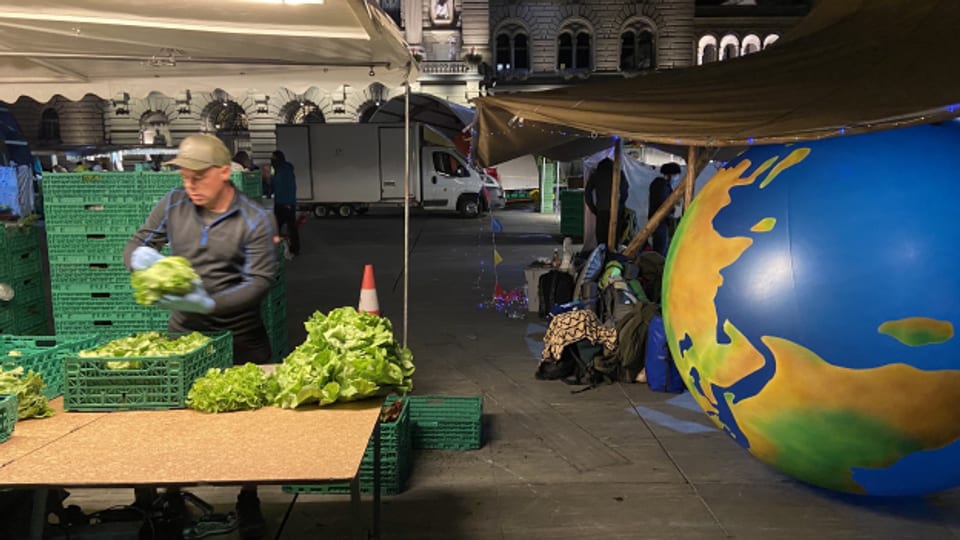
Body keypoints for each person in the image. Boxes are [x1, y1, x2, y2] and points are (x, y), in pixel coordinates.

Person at [123, 133, 278, 540]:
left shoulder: (255, 218)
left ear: (224, 173)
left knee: (248, 425)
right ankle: (172, 498)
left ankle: (248, 498)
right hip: (184, 337)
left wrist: (211, 303)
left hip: (242, 336)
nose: (189, 184)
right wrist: (143, 261)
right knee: (179, 423)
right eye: (185, 176)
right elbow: (139, 242)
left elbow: (261, 280)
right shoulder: (173, 204)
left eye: (198, 176)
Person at [584, 158, 628, 248]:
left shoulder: (596, 175)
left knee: (601, 239)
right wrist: (621, 204)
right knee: (614, 238)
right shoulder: (619, 173)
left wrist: (593, 208)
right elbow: (625, 191)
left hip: (602, 210)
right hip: (616, 210)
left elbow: (587, 193)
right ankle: (612, 257)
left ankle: (602, 258)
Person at [649, 162, 682, 257]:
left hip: (660, 222)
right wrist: (671, 215)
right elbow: (663, 205)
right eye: (676, 175)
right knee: (661, 250)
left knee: (662, 248)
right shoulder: (661, 185)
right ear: (670, 175)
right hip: (660, 222)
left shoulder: (661, 185)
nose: (677, 177)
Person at [270, 150, 300, 257]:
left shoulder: (279, 171)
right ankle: (295, 249)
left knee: (277, 227)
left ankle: (275, 248)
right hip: (290, 203)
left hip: (281, 203)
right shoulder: (288, 168)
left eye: (273, 158)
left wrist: (268, 191)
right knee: (292, 227)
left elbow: (274, 186)